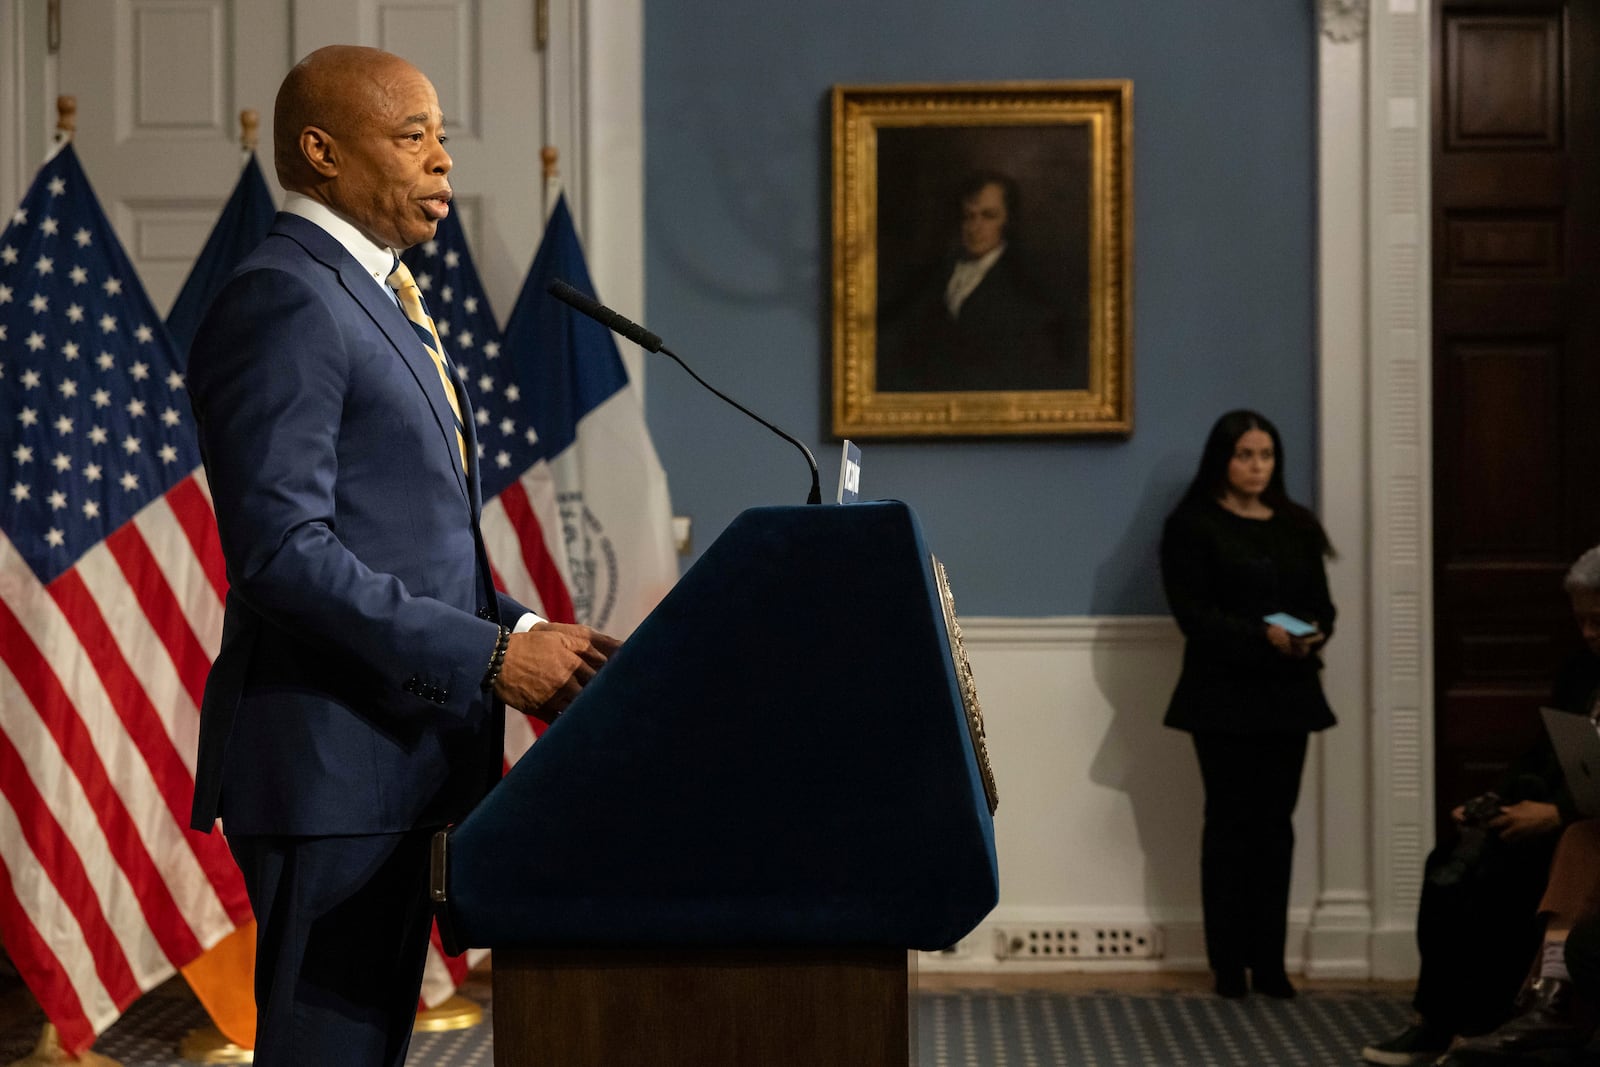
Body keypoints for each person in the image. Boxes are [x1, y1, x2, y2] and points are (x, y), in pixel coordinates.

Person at [185, 45, 618, 1066]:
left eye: (443, 138)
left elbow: (410, 545)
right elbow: (282, 553)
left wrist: (518, 631)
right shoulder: (284, 297)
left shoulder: (376, 295)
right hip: (332, 768)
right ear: (321, 151)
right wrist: (483, 659)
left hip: (400, 756)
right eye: (412, 136)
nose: (442, 164)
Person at [1361, 546, 1600, 1065]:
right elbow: (1548, 750)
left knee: (1504, 874)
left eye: (1598, 620)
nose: (1588, 633)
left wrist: (1557, 815)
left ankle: (1508, 1018)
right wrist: (1499, 799)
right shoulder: (1583, 670)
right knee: (1449, 864)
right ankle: (1434, 1022)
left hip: (1578, 825)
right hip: (1565, 812)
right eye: (1580, 620)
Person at [1160, 409, 1336, 999]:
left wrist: (1312, 633)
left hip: (1289, 694)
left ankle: (1272, 963)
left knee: (1275, 828)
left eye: (1265, 455)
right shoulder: (1192, 525)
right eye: (1245, 455)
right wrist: (1262, 636)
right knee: (1230, 825)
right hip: (1223, 696)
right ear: (1223, 459)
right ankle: (1229, 966)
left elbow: (1323, 607)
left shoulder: (1295, 525)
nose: (1257, 466)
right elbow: (1195, 615)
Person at [876, 170, 1085, 393]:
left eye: (988, 216)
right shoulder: (934, 273)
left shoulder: (1026, 282)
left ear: (1008, 220)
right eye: (969, 216)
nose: (975, 227)